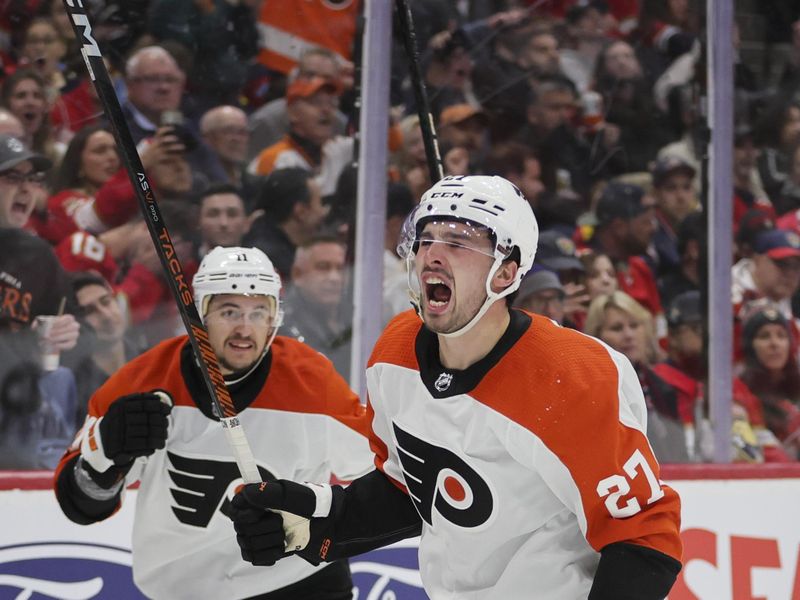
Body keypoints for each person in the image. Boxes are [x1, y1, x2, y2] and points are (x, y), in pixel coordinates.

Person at [230, 175, 682, 599]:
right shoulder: (396, 353)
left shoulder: (569, 377)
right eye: (426, 239)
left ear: (505, 274)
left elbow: (644, 537)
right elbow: (416, 490)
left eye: (459, 241)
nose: (432, 254)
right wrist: (318, 523)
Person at [54, 246, 373, 599]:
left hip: (300, 582)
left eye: (258, 312)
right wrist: (106, 454)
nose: (244, 328)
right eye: (229, 311)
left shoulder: (311, 381)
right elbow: (80, 505)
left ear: (274, 318)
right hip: (184, 589)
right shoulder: (143, 382)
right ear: (200, 314)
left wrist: (317, 524)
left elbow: (384, 470)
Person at [281, 236, 351, 380]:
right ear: (297, 274)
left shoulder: (358, 316)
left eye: (340, 268)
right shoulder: (282, 326)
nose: (334, 277)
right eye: (323, 267)